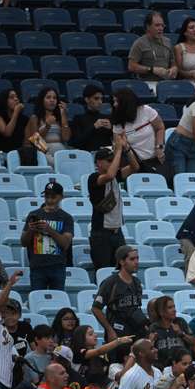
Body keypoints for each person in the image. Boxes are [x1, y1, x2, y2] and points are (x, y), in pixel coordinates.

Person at [87, 140, 138, 269]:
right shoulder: (94, 178)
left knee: (123, 270)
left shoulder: (116, 176)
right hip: (101, 234)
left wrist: (126, 150)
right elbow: (109, 175)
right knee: (104, 271)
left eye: (112, 160)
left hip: (117, 232)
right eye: (109, 161)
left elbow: (135, 167)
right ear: (98, 162)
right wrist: (119, 151)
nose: (112, 163)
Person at [20, 181, 73, 291]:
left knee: (58, 300)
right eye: (47, 196)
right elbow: (23, 242)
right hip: (37, 266)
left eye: (53, 197)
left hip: (58, 266)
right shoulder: (33, 214)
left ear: (61, 197)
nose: (49, 200)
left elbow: (65, 244)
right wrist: (31, 230)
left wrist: (49, 229)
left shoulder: (66, 217)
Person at [110, 88, 167, 177]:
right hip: (135, 163)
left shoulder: (146, 110)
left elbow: (160, 128)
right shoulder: (118, 123)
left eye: (117, 102)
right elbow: (118, 148)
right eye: (114, 102)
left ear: (126, 103)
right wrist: (124, 145)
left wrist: (159, 148)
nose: (115, 105)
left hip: (155, 159)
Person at [128, 12, 177, 89]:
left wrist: (173, 69)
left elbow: (173, 63)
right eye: (157, 25)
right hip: (148, 83)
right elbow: (131, 66)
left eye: (162, 25)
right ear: (148, 27)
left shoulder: (168, 42)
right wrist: (152, 70)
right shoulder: (139, 43)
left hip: (167, 82)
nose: (160, 28)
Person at [70, 84, 112, 151]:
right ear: (87, 99)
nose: (100, 102)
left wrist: (112, 129)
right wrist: (94, 127)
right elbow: (76, 142)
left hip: (107, 155)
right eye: (96, 98)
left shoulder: (107, 118)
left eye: (101, 99)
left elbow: (116, 141)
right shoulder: (78, 118)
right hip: (88, 155)